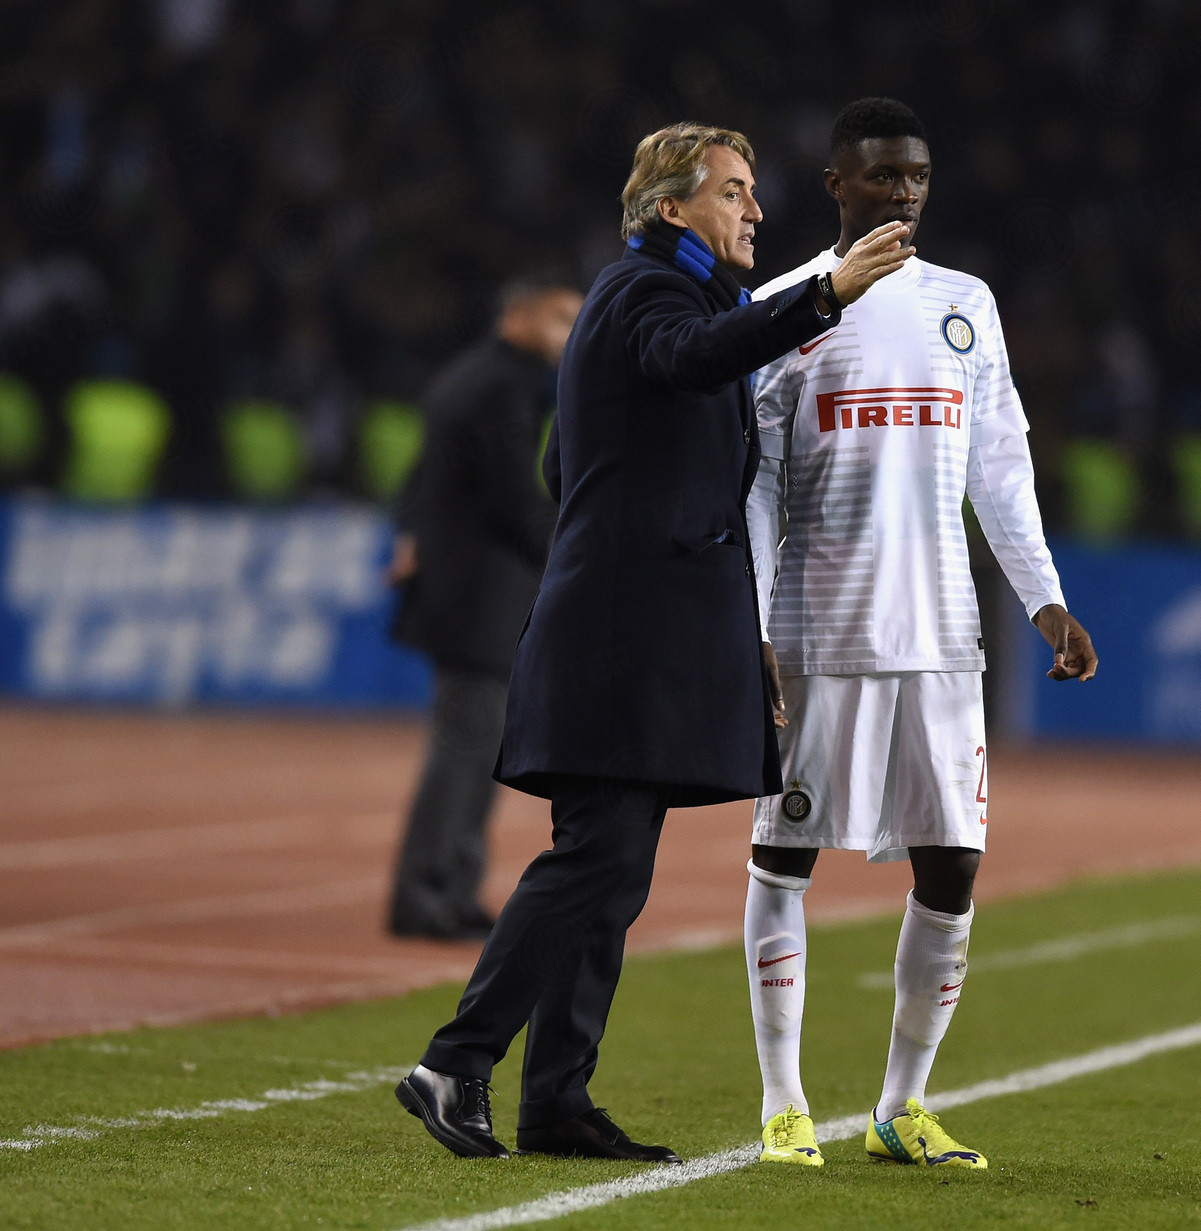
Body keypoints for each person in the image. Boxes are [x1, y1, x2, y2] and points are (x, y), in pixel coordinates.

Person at [394, 122, 914, 1162]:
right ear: (671, 208)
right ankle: (456, 1061)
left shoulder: (669, 300)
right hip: (622, 632)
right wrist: (824, 294)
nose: (755, 209)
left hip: (638, 624)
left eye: (752, 190)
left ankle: (555, 1099)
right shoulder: (646, 292)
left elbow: (565, 470)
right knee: (598, 856)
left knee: (613, 866)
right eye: (732, 190)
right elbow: (685, 361)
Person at [742, 98, 1099, 1170]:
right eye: (882, 174)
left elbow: (999, 465)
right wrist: (754, 618)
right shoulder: (783, 308)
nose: (903, 191)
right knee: (783, 856)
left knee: (953, 869)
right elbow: (756, 484)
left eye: (917, 175)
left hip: (943, 633)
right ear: (836, 185)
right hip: (819, 628)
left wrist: (1044, 597)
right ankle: (783, 1102)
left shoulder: (964, 304)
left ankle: (901, 1106)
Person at [386, 282, 582, 941]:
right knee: (464, 750)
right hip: (478, 598)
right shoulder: (502, 387)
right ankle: (425, 896)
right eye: (560, 318)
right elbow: (512, 498)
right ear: (518, 316)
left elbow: (423, 476)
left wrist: (411, 532)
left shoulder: (478, 377)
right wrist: (571, 556)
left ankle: (453, 887)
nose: (569, 333)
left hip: (468, 592)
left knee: (476, 747)